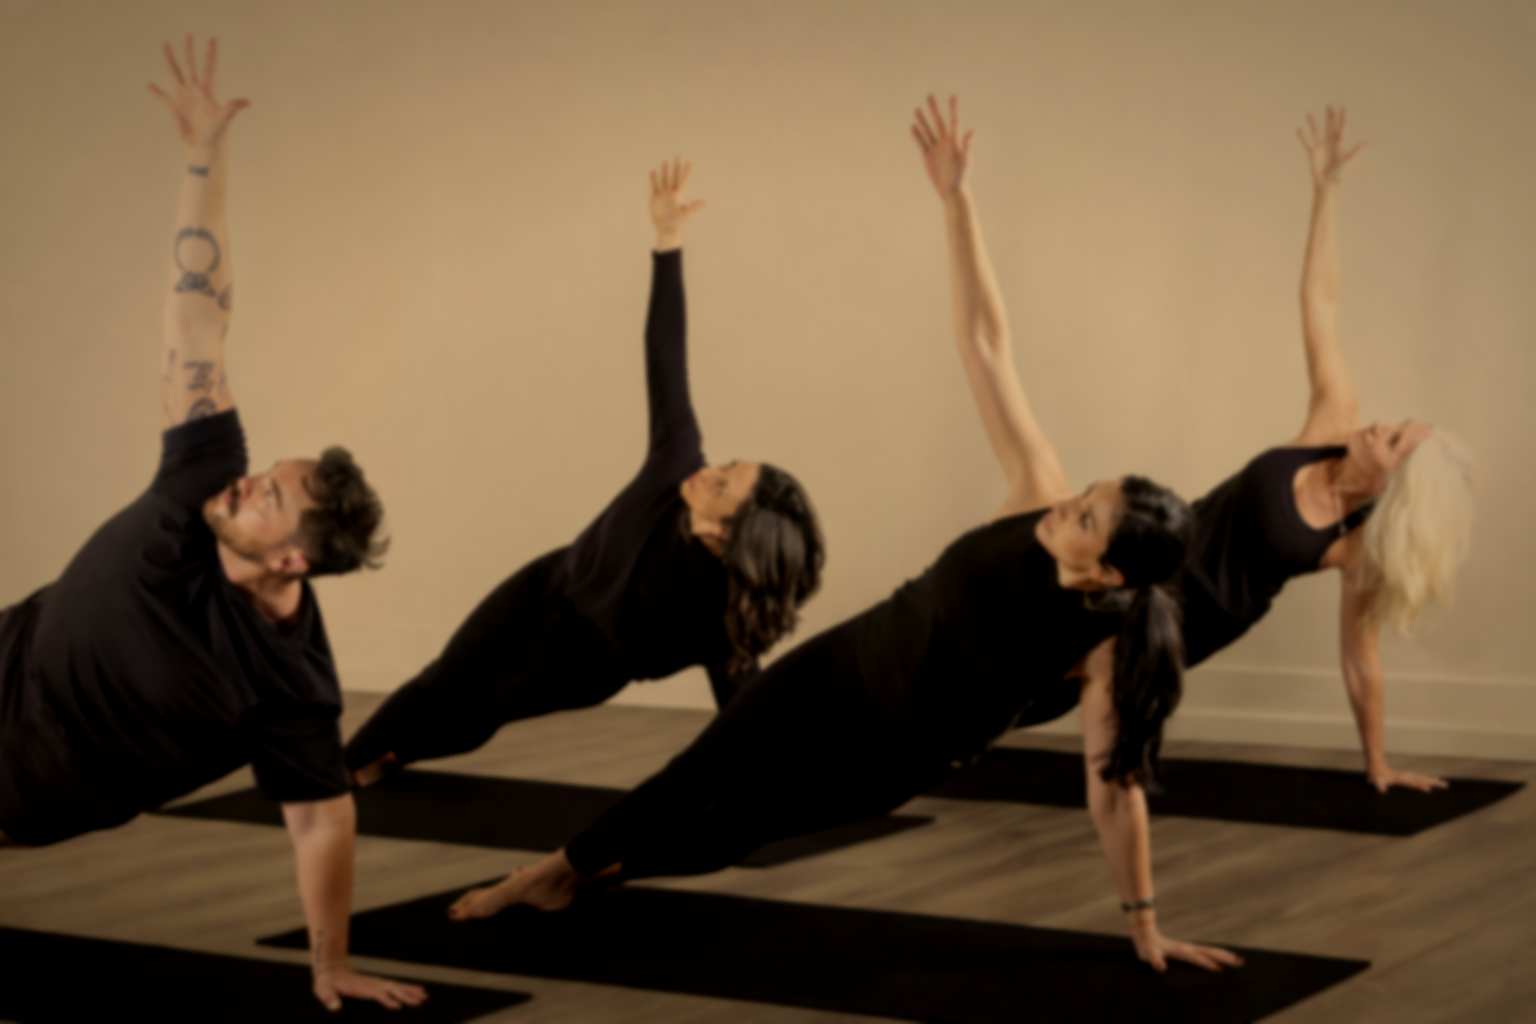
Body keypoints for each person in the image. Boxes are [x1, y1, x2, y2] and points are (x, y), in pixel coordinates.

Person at [441, 97, 1242, 975]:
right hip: (844, 662)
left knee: (737, 831)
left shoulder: (1103, 649)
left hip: (889, 752)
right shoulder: (1036, 496)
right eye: (1086, 493)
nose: (1066, 505)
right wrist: (956, 201)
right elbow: (985, 344)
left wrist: (1144, 925)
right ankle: (548, 874)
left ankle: (605, 873)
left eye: (1086, 517)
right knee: (696, 773)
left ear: (1110, 572)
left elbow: (1114, 793)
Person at [0, 37, 425, 1013]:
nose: (242, 487)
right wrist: (203, 155)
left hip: (30, 782)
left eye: (266, 498)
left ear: (293, 560)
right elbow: (198, 323)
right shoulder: (203, 478)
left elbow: (321, 820)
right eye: (262, 475)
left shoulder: (289, 684)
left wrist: (328, 965)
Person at [343, 158, 825, 787]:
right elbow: (666, 355)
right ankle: (333, 773)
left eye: (723, 485)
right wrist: (669, 240)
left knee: (484, 708)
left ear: (730, 534)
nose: (709, 472)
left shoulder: (722, 615)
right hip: (548, 583)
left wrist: (783, 784)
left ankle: (393, 756)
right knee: (442, 679)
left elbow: (743, 714)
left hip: (583, 663)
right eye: (727, 465)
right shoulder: (677, 460)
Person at [1177, 107, 1475, 793]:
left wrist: (1377, 763)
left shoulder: (1359, 546)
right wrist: (1327, 190)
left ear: (1396, 487)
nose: (1379, 425)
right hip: (1158, 549)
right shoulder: (1332, 422)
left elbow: (1360, 660)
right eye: (1396, 423)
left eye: (1394, 440)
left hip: (1198, 622)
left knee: (1059, 684)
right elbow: (1321, 302)